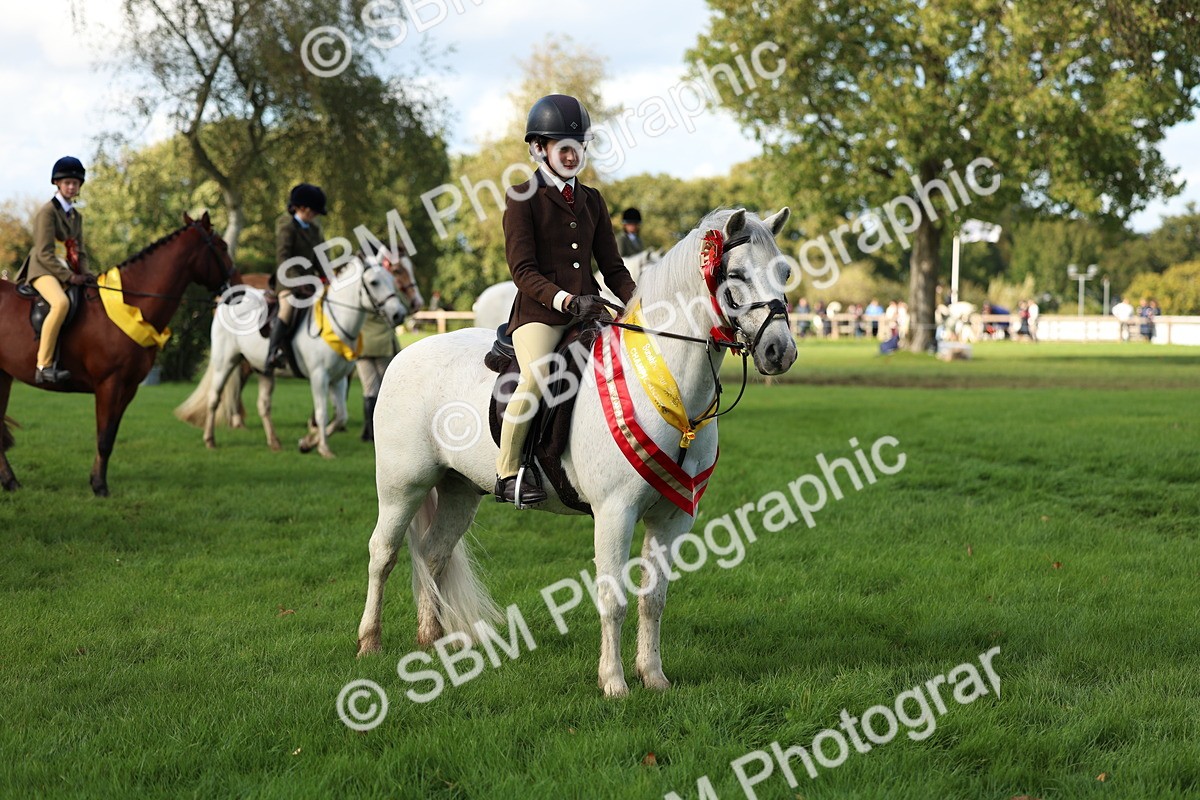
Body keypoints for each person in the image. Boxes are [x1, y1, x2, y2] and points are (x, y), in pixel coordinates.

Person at [495, 94, 637, 506]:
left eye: (580, 146)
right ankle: (507, 472)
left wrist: (637, 303)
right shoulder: (520, 196)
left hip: (589, 310)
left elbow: (613, 267)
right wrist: (565, 302)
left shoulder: (593, 199)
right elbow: (522, 271)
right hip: (540, 314)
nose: (574, 155)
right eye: (564, 147)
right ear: (539, 148)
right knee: (537, 377)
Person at [15, 157, 94, 384]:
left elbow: (81, 250)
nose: (71, 187)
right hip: (43, 270)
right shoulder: (47, 212)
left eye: (75, 183)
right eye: (67, 182)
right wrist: (70, 277)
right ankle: (44, 365)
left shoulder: (76, 217)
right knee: (61, 303)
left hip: (67, 269)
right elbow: (44, 253)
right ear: (57, 184)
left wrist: (86, 274)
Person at [266, 183, 328, 374]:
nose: (315, 215)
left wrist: (329, 276)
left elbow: (320, 257)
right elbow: (283, 258)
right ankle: (272, 353)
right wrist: (298, 281)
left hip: (310, 282)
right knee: (287, 308)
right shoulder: (287, 227)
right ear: (302, 208)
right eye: (313, 211)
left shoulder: (314, 230)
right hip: (288, 280)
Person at [356, 251, 403, 442]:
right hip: (382, 344)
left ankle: (368, 431)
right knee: (386, 388)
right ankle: (384, 429)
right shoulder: (384, 285)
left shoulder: (359, 287)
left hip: (363, 345)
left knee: (369, 389)